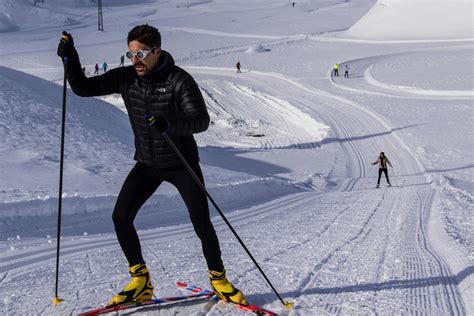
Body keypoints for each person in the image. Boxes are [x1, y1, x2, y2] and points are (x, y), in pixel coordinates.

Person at [57, 25, 247, 307]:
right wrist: (70, 57)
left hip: (181, 163)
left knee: (201, 224)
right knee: (120, 217)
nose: (136, 59)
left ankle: (219, 280)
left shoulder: (179, 80)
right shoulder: (126, 77)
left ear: (157, 51)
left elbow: (201, 120)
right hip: (147, 163)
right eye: (131, 53)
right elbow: (83, 88)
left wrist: (170, 126)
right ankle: (140, 280)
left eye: (142, 53)